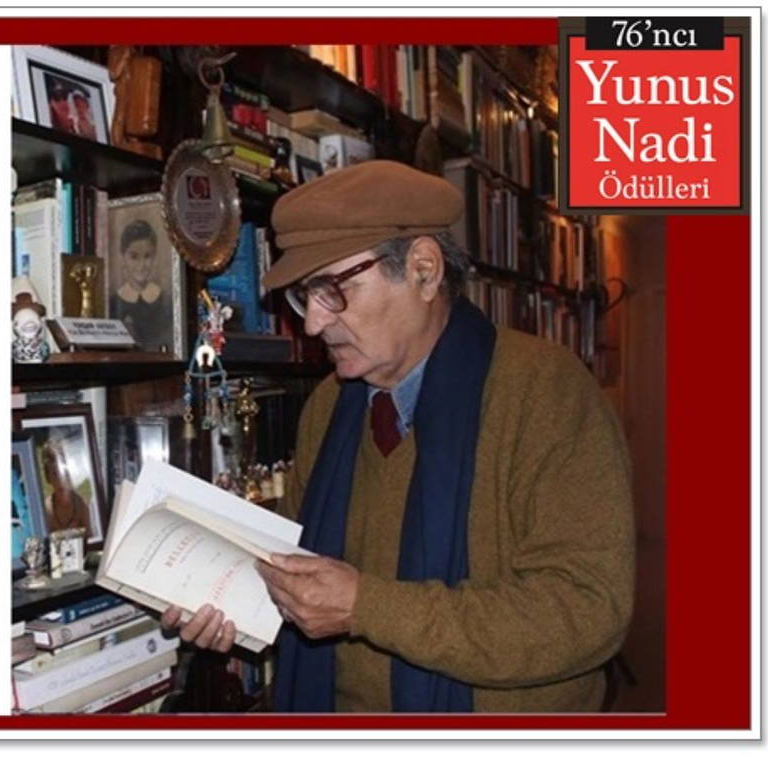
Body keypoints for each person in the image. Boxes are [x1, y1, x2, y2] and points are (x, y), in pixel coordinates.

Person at [162, 160, 635, 713]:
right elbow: (301, 579)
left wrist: (366, 607)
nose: (312, 323)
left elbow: (587, 612)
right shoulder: (327, 407)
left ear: (424, 271)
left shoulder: (545, 392)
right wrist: (229, 603)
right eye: (304, 296)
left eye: (333, 289)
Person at [110, 219, 169, 351]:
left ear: (154, 256)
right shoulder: (113, 303)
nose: (141, 265)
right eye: (134, 257)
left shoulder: (165, 300)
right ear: (123, 257)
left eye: (147, 256)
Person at [40, 438, 91, 533]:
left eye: (64, 473)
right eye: (55, 474)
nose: (61, 481)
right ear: (48, 478)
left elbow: (90, 535)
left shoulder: (81, 506)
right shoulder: (46, 509)